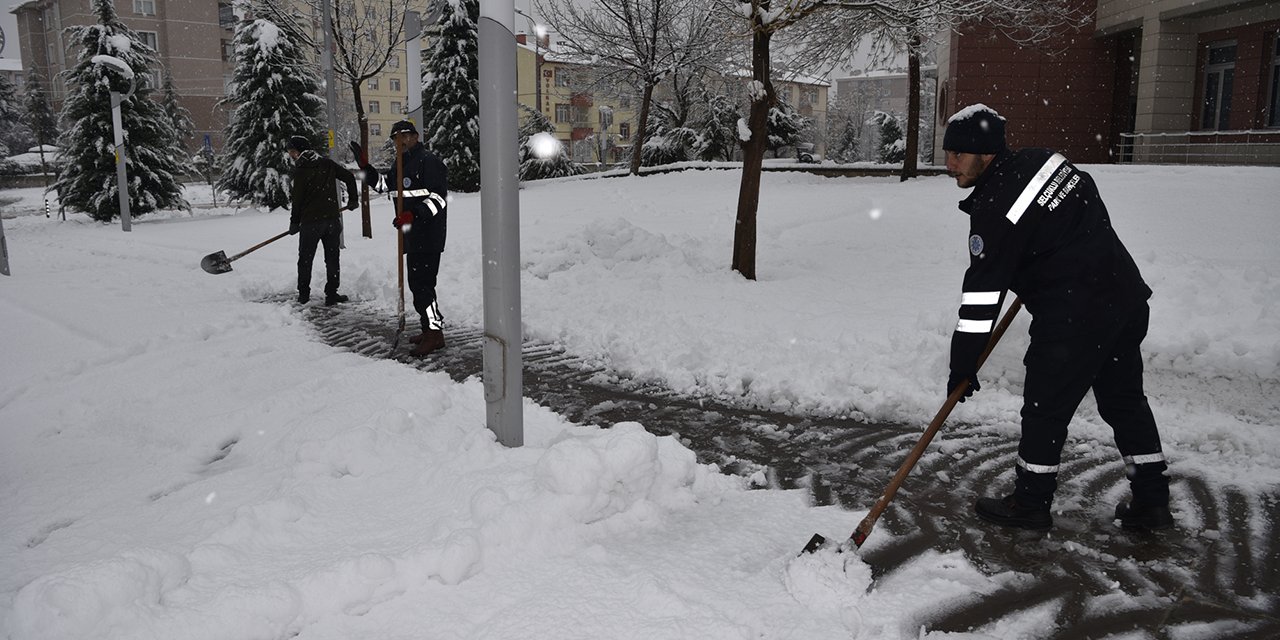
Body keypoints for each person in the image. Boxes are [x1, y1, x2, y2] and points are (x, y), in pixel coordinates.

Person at [940, 104, 1172, 533]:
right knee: (1125, 402)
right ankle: (1153, 503)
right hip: (1124, 298)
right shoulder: (1047, 160)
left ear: (986, 153)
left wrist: (962, 364)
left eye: (957, 154)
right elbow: (1086, 195)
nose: (949, 164)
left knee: (1045, 410)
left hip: (1074, 316)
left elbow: (981, 297)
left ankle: (1030, 503)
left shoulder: (993, 209)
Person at [350, 120, 449, 357]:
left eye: (405, 136)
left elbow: (439, 199)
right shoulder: (400, 164)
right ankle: (431, 330)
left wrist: (412, 214)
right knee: (419, 286)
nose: (400, 141)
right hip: (412, 236)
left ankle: (434, 333)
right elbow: (385, 186)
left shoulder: (428, 161)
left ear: (415, 137)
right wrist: (366, 168)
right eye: (396, 138)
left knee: (423, 286)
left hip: (429, 235)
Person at [287, 135, 359, 306]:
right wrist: (353, 199)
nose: (291, 155)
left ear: (300, 151)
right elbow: (349, 177)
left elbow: (297, 200)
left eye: (293, 151)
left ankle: (304, 295)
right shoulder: (327, 163)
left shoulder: (301, 170)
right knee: (332, 258)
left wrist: (294, 222)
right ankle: (332, 294)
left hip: (311, 223)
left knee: (305, 259)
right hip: (332, 221)